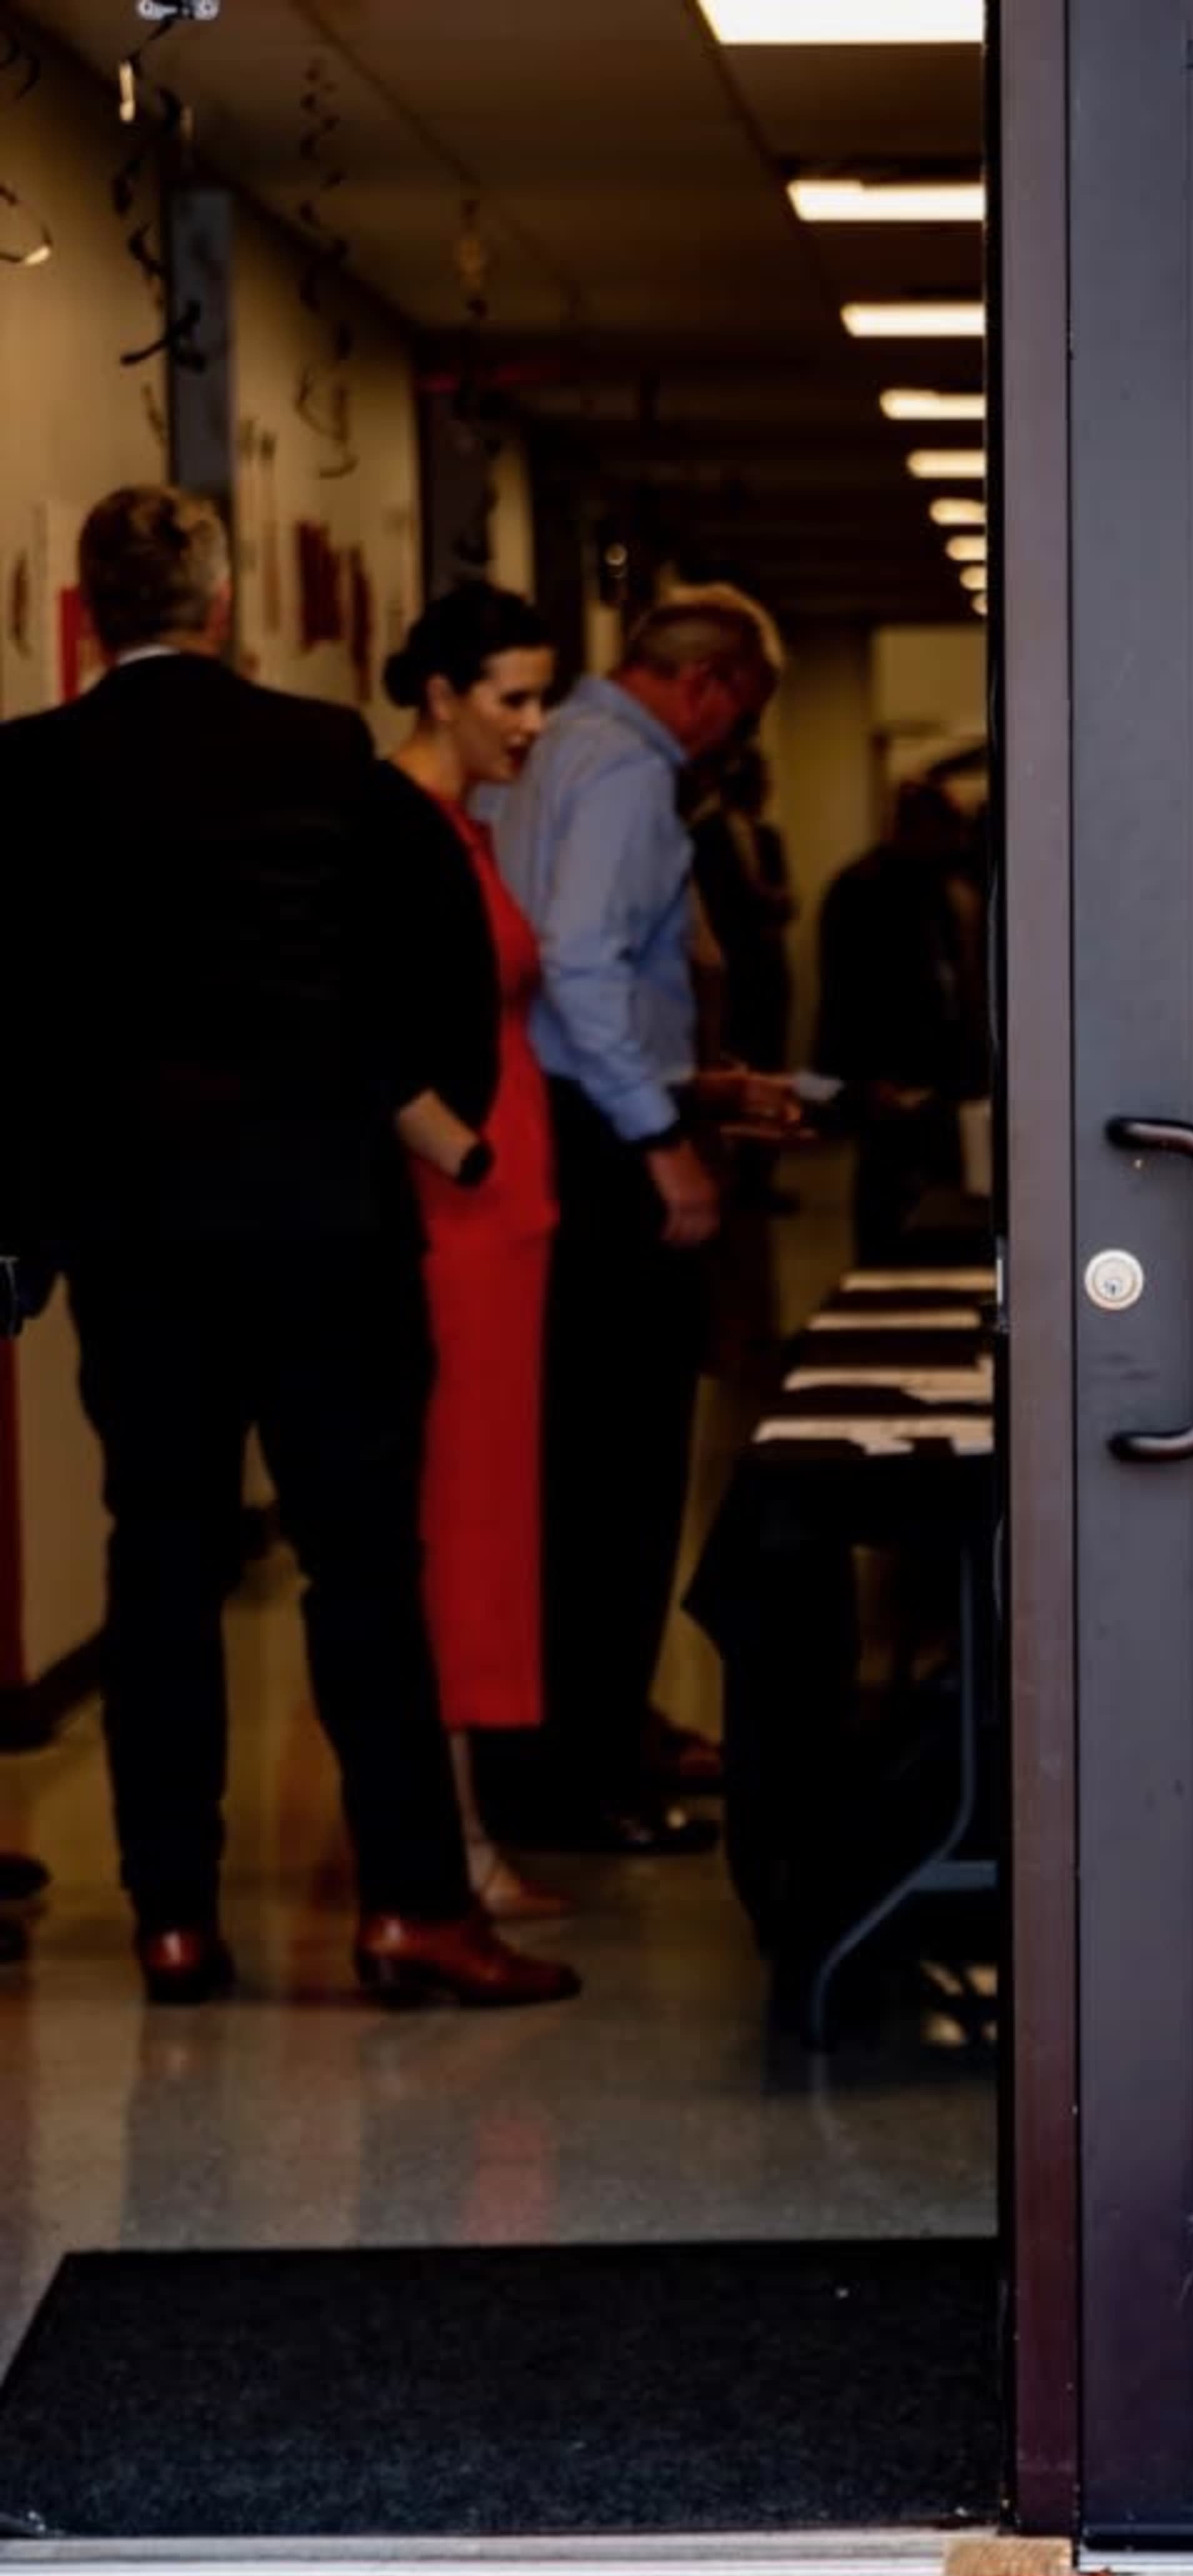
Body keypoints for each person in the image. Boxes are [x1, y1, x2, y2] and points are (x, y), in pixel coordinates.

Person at [0, 486, 576, 2007]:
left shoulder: (34, 772)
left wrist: (34, 1203)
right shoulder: (321, 752)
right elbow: (439, 939)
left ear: (92, 602)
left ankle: (172, 1917)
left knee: (161, 1567)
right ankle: (410, 1908)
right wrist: (438, 1103)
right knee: (363, 1566)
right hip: (325, 1221)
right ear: (219, 597)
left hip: (139, 1235)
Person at [487, 586, 805, 1855]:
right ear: (714, 686)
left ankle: (576, 1747)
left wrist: (697, 1088)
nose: (730, 742)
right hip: (607, 1143)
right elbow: (579, 963)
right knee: (623, 1474)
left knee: (577, 1469)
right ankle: (593, 1773)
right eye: (741, 714)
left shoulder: (554, 746)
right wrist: (664, 1139)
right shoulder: (624, 768)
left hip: (566, 1123)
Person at [381, 581, 569, 1926]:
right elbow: (364, 1027)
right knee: (458, 1524)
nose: (536, 721)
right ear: (443, 693)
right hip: (459, 1218)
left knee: (488, 1521)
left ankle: (462, 1822)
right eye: (513, 696)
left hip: (502, 1222)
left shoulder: (464, 824)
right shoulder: (401, 827)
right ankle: (445, 1840)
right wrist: (470, 1154)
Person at [814, 781, 986, 1262]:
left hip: (943, 1065)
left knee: (938, 1192)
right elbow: (846, 993)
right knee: (887, 1191)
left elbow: (956, 978)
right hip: (887, 1070)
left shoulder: (941, 886)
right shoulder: (862, 888)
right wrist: (861, 1078)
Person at [689, 740, 795, 1076]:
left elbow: (786, 899)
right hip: (732, 972)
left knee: (770, 1061)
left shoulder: (769, 837)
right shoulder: (703, 835)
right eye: (761, 779)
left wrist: (774, 900)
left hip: (768, 970)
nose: (767, 788)